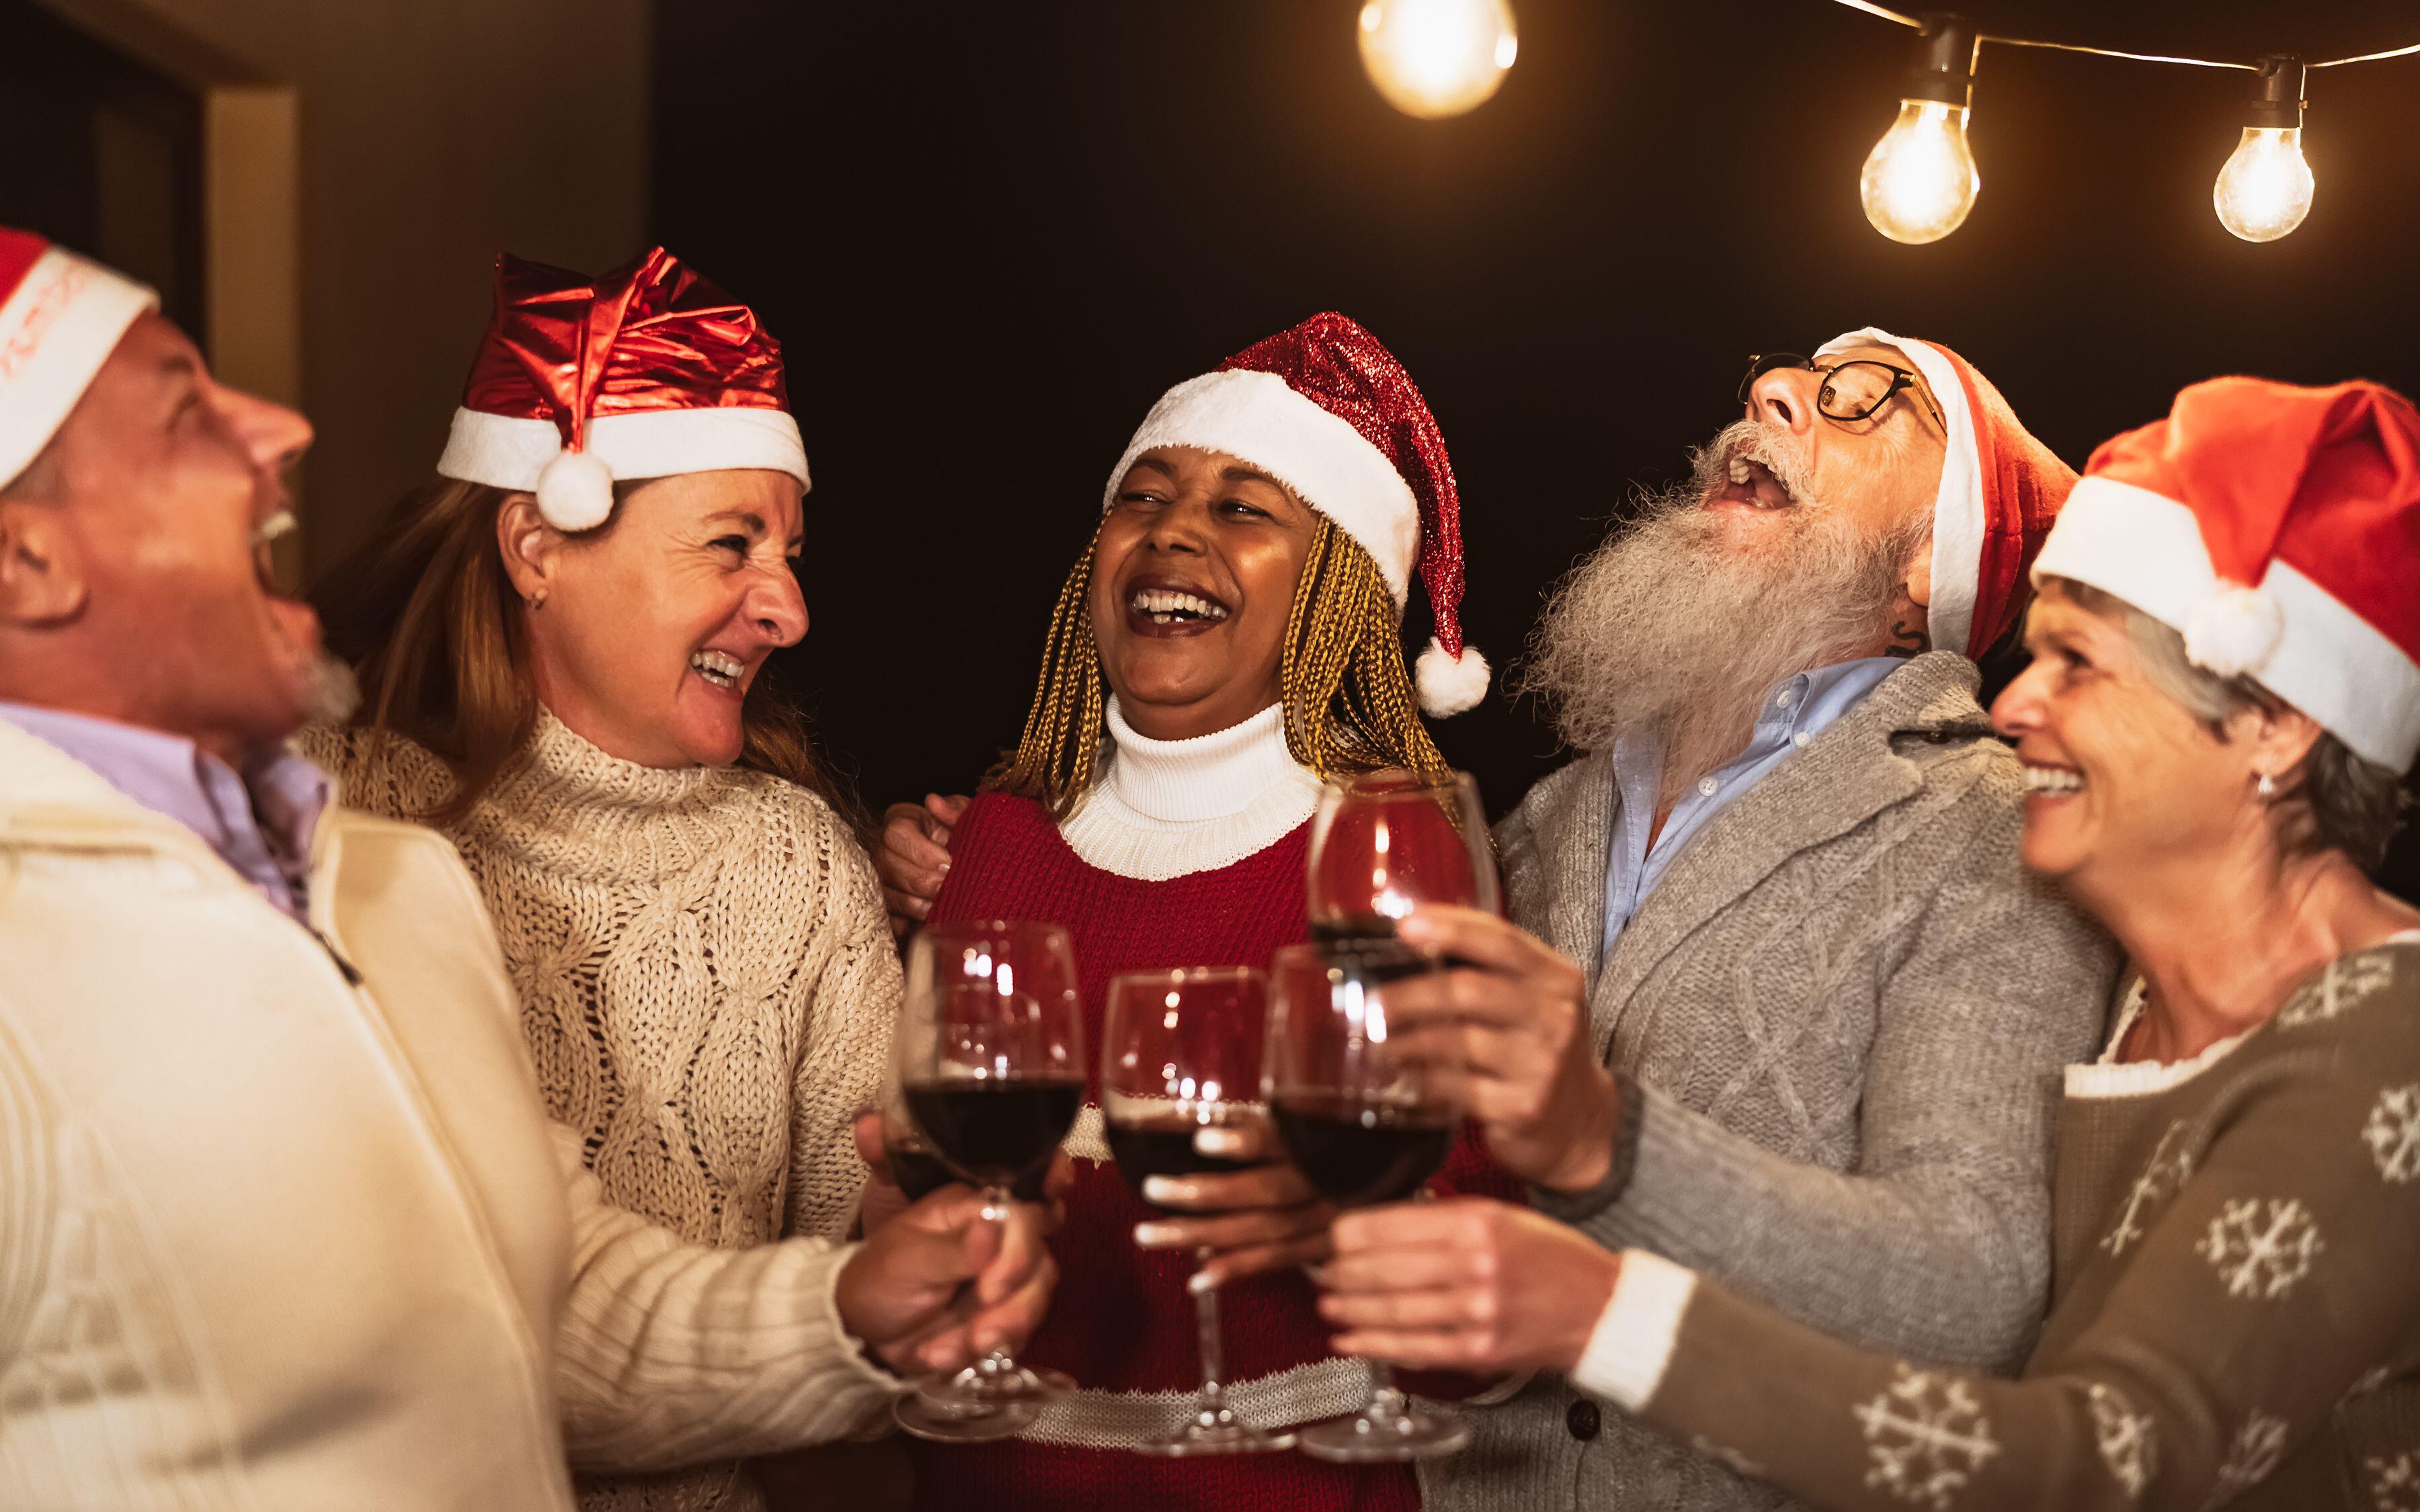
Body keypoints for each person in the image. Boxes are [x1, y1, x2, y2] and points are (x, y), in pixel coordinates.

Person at [0, 226, 1053, 1508]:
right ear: (535, 543)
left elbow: (540, 1305)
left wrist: (848, 1303)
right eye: (183, 415)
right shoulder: (45, 941)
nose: (282, 426)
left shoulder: (385, 880)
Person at [1320, 374, 2420, 1512]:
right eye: (2035, 655)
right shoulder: (2153, 1016)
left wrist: (1604, 1297)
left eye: (2078, 664)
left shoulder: (2387, 1039)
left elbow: (2098, 1456)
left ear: (2277, 726)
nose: (2010, 704)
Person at [1364, 330, 2111, 1511]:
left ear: (1931, 568)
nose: (1768, 396)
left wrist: (1614, 1143)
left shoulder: (1994, 832)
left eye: (1864, 402)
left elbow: (1972, 1292)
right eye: (1784, 379)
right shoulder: (1550, 812)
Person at [300, 247, 899, 1511]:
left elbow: (857, 1332)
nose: (785, 606)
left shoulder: (796, 868)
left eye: (790, 552)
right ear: (536, 542)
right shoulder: (316, 810)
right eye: (732, 543)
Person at [885, 312, 1508, 1511]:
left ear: (1334, 587)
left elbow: (1481, 1337)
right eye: (1146, 497)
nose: (1176, 529)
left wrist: (1340, 1223)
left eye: (1243, 507)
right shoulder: (999, 837)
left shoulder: (1390, 851)